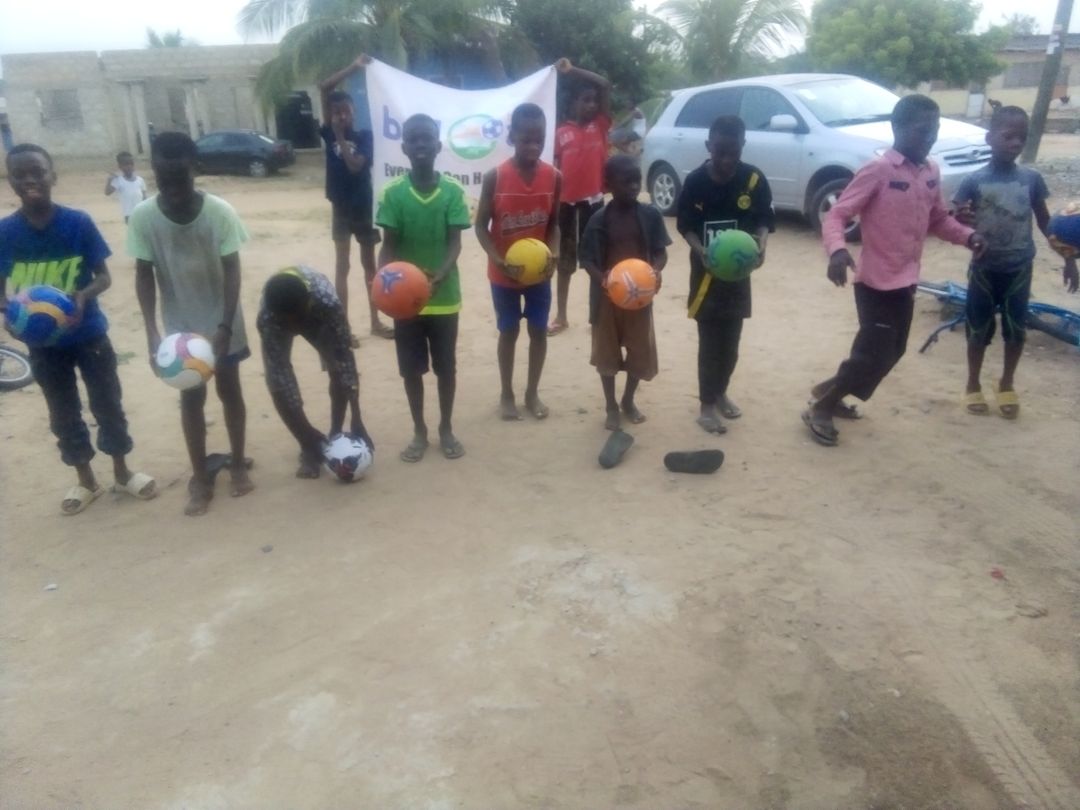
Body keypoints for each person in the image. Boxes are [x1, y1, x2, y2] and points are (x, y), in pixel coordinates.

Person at [803, 95, 988, 446]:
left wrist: (968, 236)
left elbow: (938, 219)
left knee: (894, 351)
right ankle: (822, 407)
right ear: (897, 128)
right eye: (922, 130)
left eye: (935, 129)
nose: (930, 137)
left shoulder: (930, 171)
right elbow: (838, 214)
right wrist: (837, 250)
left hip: (906, 281)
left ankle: (831, 390)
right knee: (870, 353)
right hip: (875, 283)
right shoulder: (878, 170)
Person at [0, 144, 155, 515]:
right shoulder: (6, 232)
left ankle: (122, 472)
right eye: (20, 174)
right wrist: (8, 312)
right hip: (42, 344)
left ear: (53, 176)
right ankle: (86, 480)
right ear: (11, 182)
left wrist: (83, 295)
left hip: (89, 335)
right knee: (63, 411)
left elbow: (104, 276)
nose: (30, 179)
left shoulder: (78, 223)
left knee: (107, 403)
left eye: (37, 171)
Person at [129, 131, 255, 515]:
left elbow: (232, 269)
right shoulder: (144, 217)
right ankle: (200, 477)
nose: (172, 188)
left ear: (195, 169)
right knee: (191, 398)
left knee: (230, 391)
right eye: (163, 179)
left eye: (179, 179)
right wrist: (152, 332)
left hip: (222, 321)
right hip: (180, 329)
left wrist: (225, 325)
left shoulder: (219, 212)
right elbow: (143, 274)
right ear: (154, 171)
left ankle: (237, 462)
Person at [952, 106, 1079, 419]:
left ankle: (1006, 382)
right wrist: (961, 219)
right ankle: (972, 383)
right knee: (977, 329)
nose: (1016, 143)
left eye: (1021, 137)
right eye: (1008, 136)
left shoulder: (1031, 179)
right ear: (989, 138)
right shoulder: (973, 181)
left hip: (1019, 269)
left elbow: (1046, 222)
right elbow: (957, 221)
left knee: (1016, 330)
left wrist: (1068, 258)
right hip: (984, 268)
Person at [375, 114, 472, 462]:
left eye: (426, 138)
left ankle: (446, 427)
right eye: (413, 139)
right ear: (403, 148)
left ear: (438, 146)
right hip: (405, 303)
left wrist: (439, 276)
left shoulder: (453, 192)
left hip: (444, 299)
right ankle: (419, 430)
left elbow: (455, 243)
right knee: (411, 370)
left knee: (446, 368)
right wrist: (382, 281)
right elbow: (388, 245)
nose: (420, 145)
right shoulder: (393, 194)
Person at [677, 115, 774, 435]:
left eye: (734, 152)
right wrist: (700, 250)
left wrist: (762, 242)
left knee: (731, 345)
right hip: (706, 277)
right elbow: (685, 225)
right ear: (709, 146)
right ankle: (706, 406)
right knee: (709, 344)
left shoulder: (753, 180)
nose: (727, 160)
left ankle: (720, 393)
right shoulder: (695, 182)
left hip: (738, 277)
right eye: (720, 152)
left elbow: (764, 219)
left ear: (743, 145)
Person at [475, 102, 561, 421]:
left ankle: (532, 393)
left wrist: (554, 254)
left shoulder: (554, 177)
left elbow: (554, 225)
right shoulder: (495, 177)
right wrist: (498, 260)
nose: (533, 146)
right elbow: (480, 226)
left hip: (539, 274)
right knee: (509, 332)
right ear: (512, 137)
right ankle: (507, 394)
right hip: (504, 276)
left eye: (539, 139)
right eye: (526, 139)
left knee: (538, 331)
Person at [580, 155, 671, 430]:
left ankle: (628, 400)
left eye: (637, 180)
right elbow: (587, 259)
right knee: (607, 356)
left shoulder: (650, 215)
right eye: (626, 181)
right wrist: (604, 280)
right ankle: (610, 405)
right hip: (607, 302)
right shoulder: (599, 220)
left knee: (639, 352)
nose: (633, 186)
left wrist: (655, 271)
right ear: (608, 184)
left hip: (640, 301)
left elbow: (660, 253)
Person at [257, 266, 373, 477]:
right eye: (289, 323)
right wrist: (306, 433)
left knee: (336, 365)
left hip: (317, 315)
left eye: (297, 321)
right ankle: (308, 447)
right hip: (282, 319)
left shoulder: (328, 305)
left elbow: (345, 361)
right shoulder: (268, 319)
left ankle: (335, 434)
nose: (295, 328)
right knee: (278, 381)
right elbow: (280, 382)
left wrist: (357, 418)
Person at [318, 55, 392, 344]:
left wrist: (340, 136)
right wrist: (353, 66)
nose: (341, 116)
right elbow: (324, 88)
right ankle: (344, 327)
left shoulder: (364, 137)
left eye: (346, 111)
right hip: (341, 207)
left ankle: (375, 322)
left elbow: (355, 166)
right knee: (342, 267)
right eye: (336, 112)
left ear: (354, 112)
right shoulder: (328, 132)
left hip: (363, 206)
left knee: (369, 266)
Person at [549, 57, 612, 336]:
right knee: (564, 264)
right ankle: (561, 317)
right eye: (586, 100)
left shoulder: (600, 125)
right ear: (573, 102)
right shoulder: (560, 133)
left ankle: (596, 317)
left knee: (596, 261)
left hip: (594, 205)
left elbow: (605, 85)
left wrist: (572, 70)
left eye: (594, 101)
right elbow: (554, 170)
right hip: (565, 207)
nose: (592, 105)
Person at [104, 151, 147, 224]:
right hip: (129, 216)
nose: (129, 166)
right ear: (120, 166)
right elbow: (107, 193)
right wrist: (109, 180)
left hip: (142, 214)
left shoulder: (140, 180)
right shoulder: (118, 181)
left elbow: (145, 198)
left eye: (131, 164)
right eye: (126, 164)